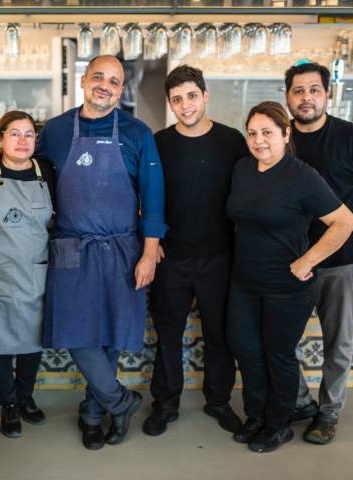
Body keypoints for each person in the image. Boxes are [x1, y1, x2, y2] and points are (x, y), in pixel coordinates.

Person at [0, 54, 167, 450]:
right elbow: (26, 165)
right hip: (70, 245)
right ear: (84, 80)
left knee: (111, 335)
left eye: (114, 81)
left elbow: (154, 196)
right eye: (98, 77)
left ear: (121, 88)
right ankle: (121, 401)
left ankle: (93, 412)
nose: (105, 85)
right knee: (76, 331)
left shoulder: (137, 132)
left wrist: (149, 252)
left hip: (123, 247)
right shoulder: (58, 130)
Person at [226, 101, 353, 453]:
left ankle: (279, 424)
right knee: (246, 350)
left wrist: (308, 260)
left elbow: (345, 222)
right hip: (244, 282)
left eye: (268, 132)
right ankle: (256, 415)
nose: (259, 140)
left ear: (286, 134)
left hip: (287, 286)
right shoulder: (242, 169)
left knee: (277, 354)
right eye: (252, 133)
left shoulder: (303, 176)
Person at [284, 62, 353, 445]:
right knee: (277, 339)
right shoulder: (280, 139)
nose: (306, 97)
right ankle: (300, 401)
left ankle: (328, 413)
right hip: (291, 263)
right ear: (288, 96)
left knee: (338, 344)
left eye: (314, 89)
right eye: (298, 90)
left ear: (327, 94)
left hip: (343, 260)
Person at [143, 65, 249, 437]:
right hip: (171, 257)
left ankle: (218, 402)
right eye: (176, 99)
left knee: (220, 336)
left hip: (220, 257)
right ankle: (165, 404)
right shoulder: (158, 142)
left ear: (205, 96)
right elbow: (143, 195)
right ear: (170, 104)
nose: (185, 105)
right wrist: (150, 244)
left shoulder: (233, 141)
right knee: (168, 336)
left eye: (191, 96)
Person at [0, 111, 56, 438]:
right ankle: (7, 403)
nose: (23, 141)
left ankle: (26, 397)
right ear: (0, 138)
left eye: (29, 135)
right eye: (15, 134)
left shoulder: (45, 171)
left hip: (35, 269)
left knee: (33, 340)